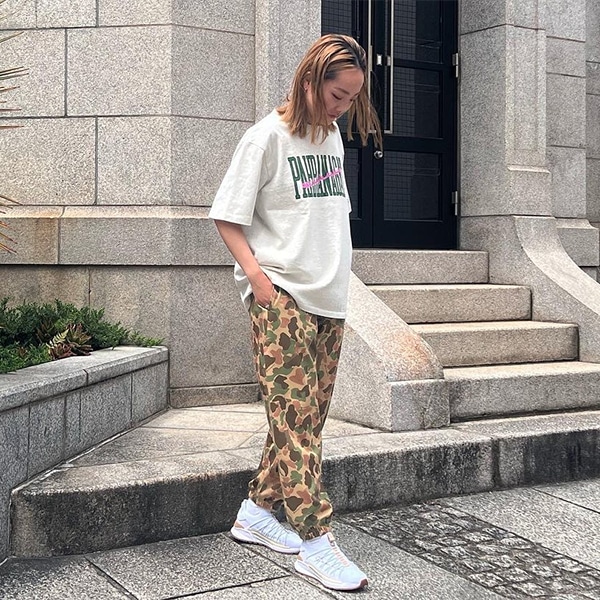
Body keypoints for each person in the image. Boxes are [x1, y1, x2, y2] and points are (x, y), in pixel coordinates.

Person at [209, 33, 381, 592]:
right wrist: (259, 282)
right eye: (337, 95)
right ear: (310, 81)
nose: (343, 108)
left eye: (351, 98)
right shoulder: (265, 138)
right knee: (297, 422)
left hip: (329, 297)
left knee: (303, 419)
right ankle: (315, 540)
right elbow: (227, 216)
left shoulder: (329, 138)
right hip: (281, 295)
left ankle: (256, 513)